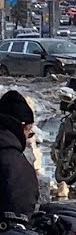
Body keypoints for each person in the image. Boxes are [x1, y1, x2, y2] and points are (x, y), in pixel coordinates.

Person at [0, 89, 40, 218]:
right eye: (28, 130)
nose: (28, 136)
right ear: (20, 126)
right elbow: (23, 206)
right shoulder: (14, 163)